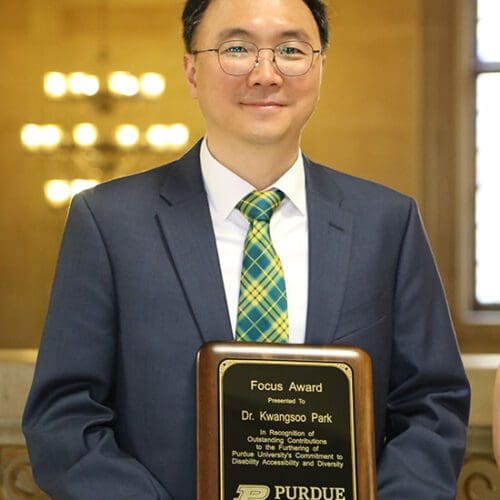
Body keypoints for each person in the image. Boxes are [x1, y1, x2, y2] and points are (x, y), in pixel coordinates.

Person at [23, 0, 470, 498]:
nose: (266, 74)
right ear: (191, 69)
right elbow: (63, 418)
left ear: (320, 66)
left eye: (291, 50)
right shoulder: (107, 223)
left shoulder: (388, 223)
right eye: (237, 48)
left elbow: (432, 405)